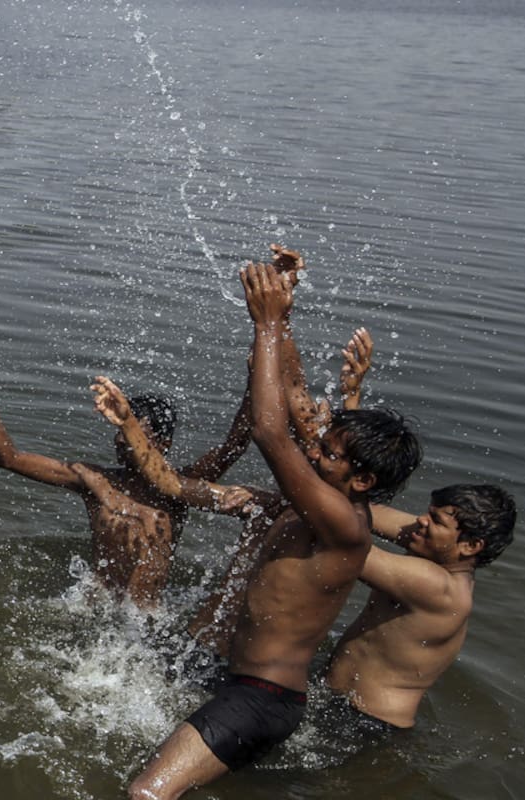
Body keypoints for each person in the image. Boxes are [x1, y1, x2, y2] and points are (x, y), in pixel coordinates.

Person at [102, 261, 421, 799]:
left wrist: (266, 324)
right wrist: (286, 306)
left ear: (363, 479)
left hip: (260, 697)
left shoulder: (342, 522)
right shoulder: (320, 505)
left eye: (329, 452)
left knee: (146, 794)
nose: (314, 448)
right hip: (244, 685)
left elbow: (270, 429)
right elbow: (295, 402)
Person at [0, 346, 253, 607]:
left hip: (146, 619)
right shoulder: (94, 480)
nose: (120, 441)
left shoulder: (181, 489)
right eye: (119, 433)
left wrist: (257, 379)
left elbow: (235, 445)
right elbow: (10, 458)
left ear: (161, 443)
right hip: (93, 613)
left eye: (131, 436)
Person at [325, 486, 516, 734]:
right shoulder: (434, 545)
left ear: (471, 546)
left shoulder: (440, 588)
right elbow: (351, 512)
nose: (420, 521)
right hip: (346, 706)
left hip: (366, 722)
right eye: (428, 513)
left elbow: (341, 545)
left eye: (435, 520)